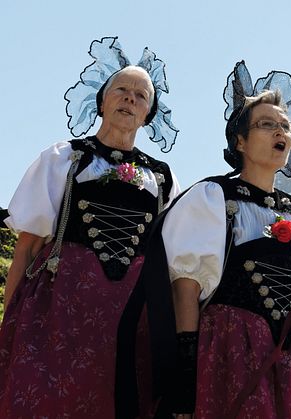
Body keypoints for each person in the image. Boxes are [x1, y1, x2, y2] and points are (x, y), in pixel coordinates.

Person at [116, 61, 291, 418]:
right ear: (240, 140)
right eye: (266, 124)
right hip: (229, 348)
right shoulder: (214, 198)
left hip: (290, 360)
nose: (280, 131)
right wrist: (185, 370)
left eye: (285, 126)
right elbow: (185, 286)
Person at [0, 36, 180, 418]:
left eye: (141, 95)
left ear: (149, 113)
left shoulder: (162, 178)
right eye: (122, 89)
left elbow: (171, 263)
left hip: (133, 318)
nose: (130, 98)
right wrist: (10, 328)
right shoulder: (63, 158)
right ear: (102, 101)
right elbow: (28, 246)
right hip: (61, 308)